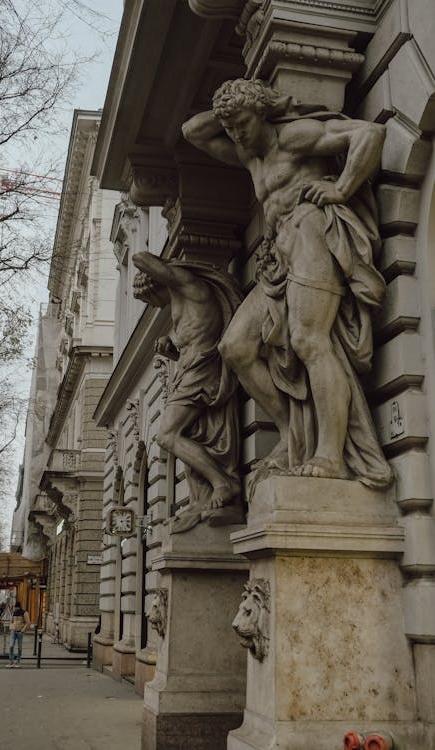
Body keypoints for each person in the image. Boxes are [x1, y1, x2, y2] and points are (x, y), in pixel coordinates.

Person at [182, 78, 393, 488]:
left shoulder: (294, 137)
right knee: (236, 347)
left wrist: (341, 188)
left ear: (262, 113)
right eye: (230, 128)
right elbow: (192, 131)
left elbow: (371, 133)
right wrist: (231, 105)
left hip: (311, 233)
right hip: (279, 255)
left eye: (242, 123)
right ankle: (291, 434)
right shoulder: (248, 154)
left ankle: (331, 455)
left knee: (309, 340)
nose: (236, 134)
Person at [133, 251, 244, 532]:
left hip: (202, 372)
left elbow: (140, 258)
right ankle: (201, 498)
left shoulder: (188, 284)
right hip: (189, 372)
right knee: (193, 436)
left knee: (167, 435)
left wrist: (156, 267)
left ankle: (224, 483)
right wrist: (171, 348)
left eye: (152, 300)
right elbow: (192, 338)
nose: (157, 307)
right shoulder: (180, 302)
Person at [6, 599, 30, 668]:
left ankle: (18, 661)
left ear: (18, 607)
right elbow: (12, 621)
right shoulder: (14, 613)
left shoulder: (24, 613)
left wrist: (22, 631)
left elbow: (28, 622)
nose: (15, 608)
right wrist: (11, 628)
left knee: (19, 647)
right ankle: (11, 662)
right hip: (13, 631)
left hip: (20, 632)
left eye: (15, 607)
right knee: (11, 646)